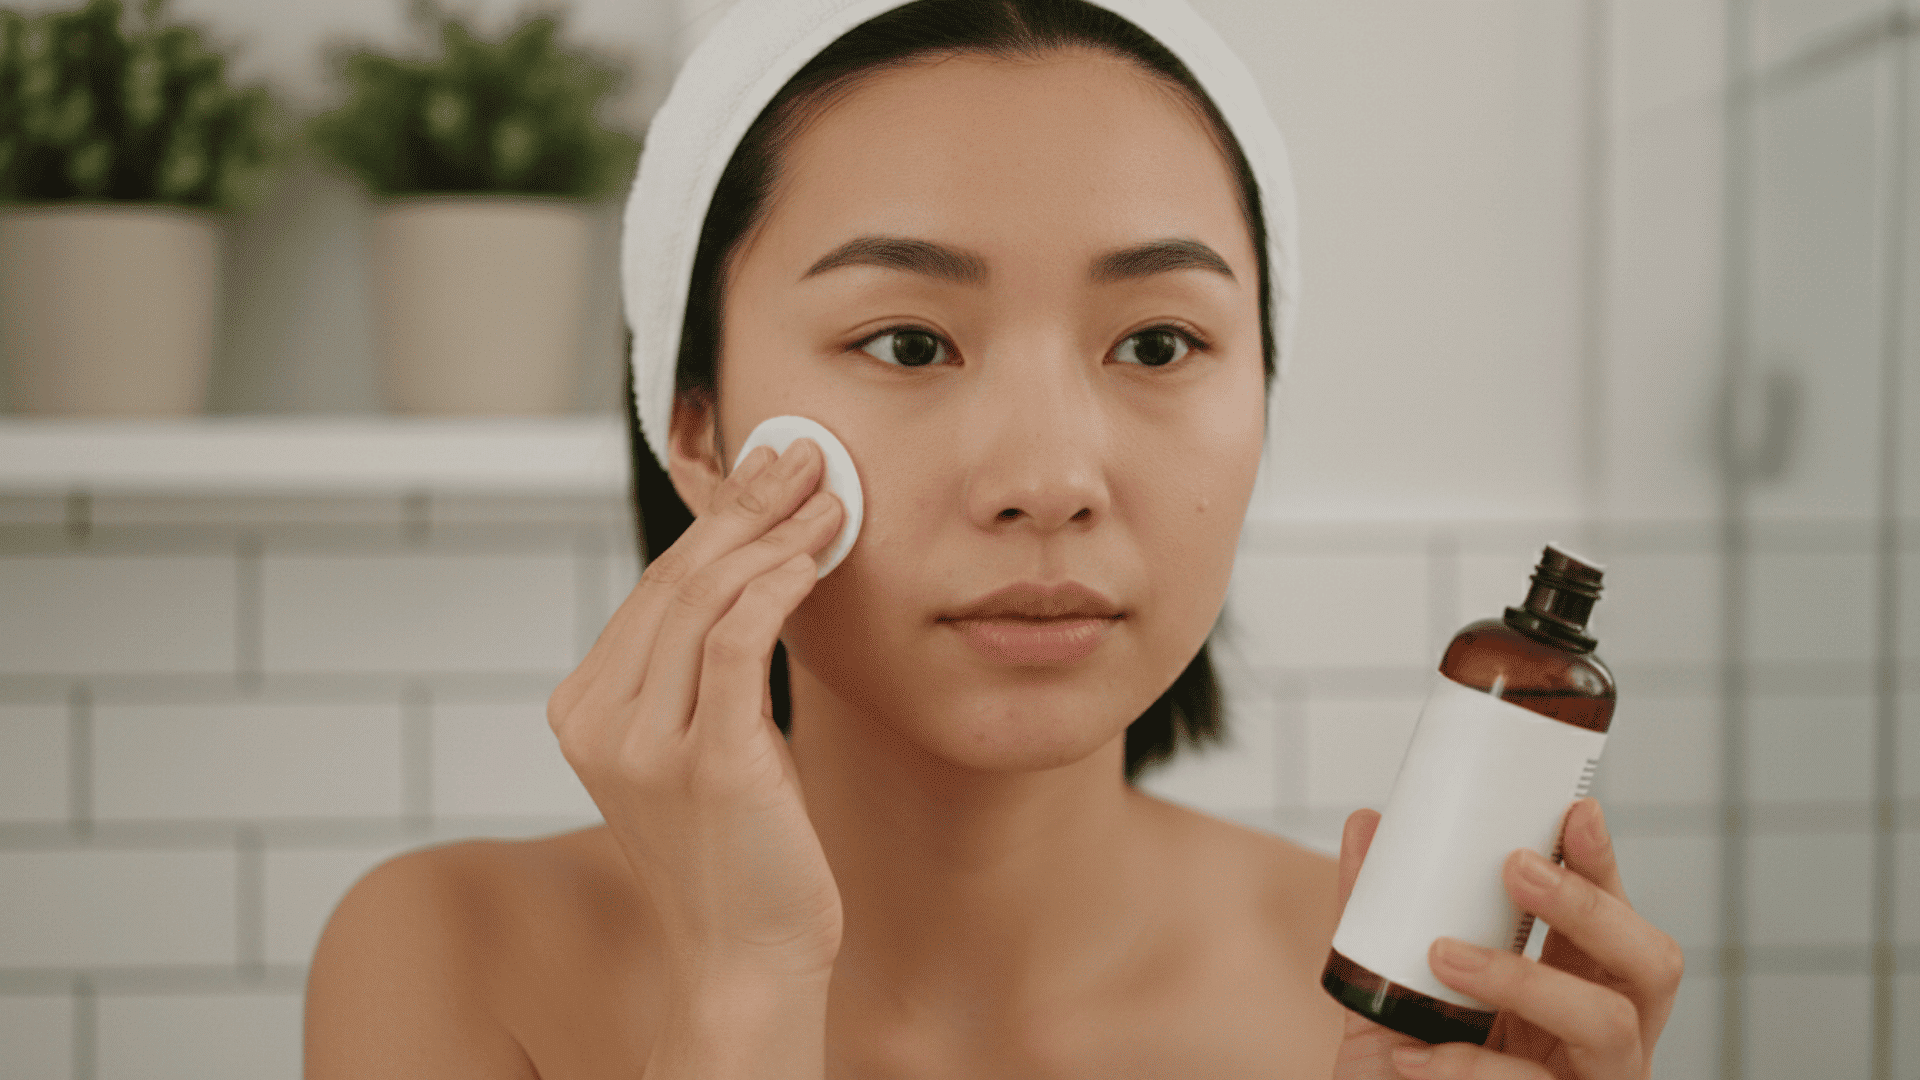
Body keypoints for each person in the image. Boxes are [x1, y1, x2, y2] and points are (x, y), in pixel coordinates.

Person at [304, 2, 1684, 1077]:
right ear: (700, 432)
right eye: (909, 342)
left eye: (1157, 343)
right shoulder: (449, 964)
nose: (1048, 478)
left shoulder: (1401, 997)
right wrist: (742, 1000)